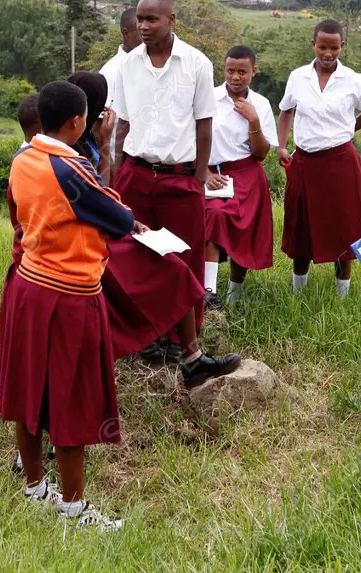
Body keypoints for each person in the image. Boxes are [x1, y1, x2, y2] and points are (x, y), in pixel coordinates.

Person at [0, 80, 134, 531]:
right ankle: (74, 509)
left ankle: (36, 489)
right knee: (72, 401)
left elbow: (18, 212)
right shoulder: (70, 168)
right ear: (78, 122)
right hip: (70, 294)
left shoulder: (22, 158)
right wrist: (106, 151)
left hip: (29, 286)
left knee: (28, 392)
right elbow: (119, 218)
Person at [68, 71, 240, 375]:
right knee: (172, 269)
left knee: (172, 265)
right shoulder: (72, 156)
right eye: (99, 110)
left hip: (96, 234)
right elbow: (101, 199)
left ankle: (176, 347)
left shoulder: (79, 145)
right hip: (87, 245)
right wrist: (127, 219)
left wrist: (103, 143)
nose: (106, 116)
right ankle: (187, 356)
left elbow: (103, 196)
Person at [112, 0, 216, 360]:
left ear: (172, 19)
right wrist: (117, 174)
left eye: (152, 19)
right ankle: (146, 336)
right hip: (137, 174)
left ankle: (182, 342)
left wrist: (198, 179)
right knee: (139, 258)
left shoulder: (197, 63)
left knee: (183, 259)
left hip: (180, 178)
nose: (143, 26)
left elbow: (205, 125)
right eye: (140, 19)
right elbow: (121, 124)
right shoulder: (128, 65)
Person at [276, 19, 361, 298]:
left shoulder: (353, 80)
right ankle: (298, 292)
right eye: (322, 47)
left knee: (343, 226)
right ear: (313, 44)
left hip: (341, 162)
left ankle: (342, 295)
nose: (327, 53)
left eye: (334, 48)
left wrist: (347, 131)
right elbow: (286, 111)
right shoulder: (298, 76)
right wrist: (281, 145)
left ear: (342, 46)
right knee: (301, 225)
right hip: (304, 162)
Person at [202, 46, 277, 308]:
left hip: (247, 175)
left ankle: (234, 295)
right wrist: (205, 172)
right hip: (213, 174)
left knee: (244, 230)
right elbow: (192, 139)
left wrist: (253, 120)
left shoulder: (261, 105)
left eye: (242, 72)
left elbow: (261, 154)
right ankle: (207, 292)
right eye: (230, 70)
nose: (235, 77)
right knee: (214, 216)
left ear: (253, 72)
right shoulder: (208, 98)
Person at [99, 7, 142, 161]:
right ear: (126, 33)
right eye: (140, 31)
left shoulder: (151, 66)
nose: (147, 34)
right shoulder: (110, 73)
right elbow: (101, 126)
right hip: (118, 161)